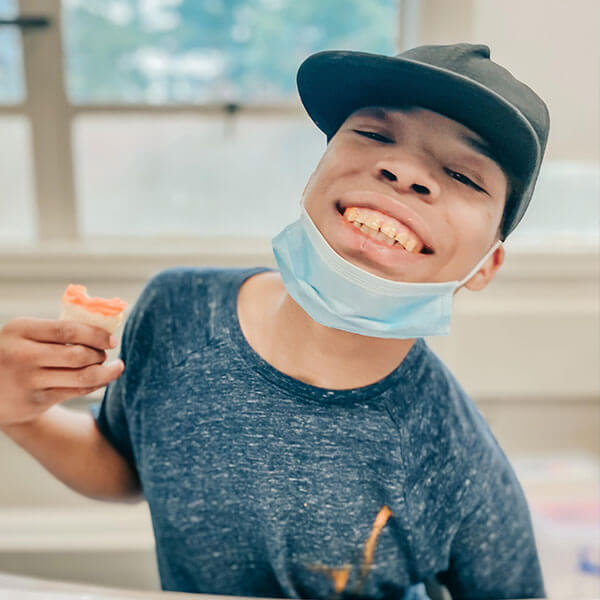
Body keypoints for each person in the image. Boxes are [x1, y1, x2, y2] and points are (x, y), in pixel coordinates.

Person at [0, 43, 549, 599]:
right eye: (375, 135)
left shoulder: (454, 458)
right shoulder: (175, 314)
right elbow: (125, 468)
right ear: (317, 168)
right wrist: (18, 414)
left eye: (462, 173)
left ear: (487, 266)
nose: (404, 170)